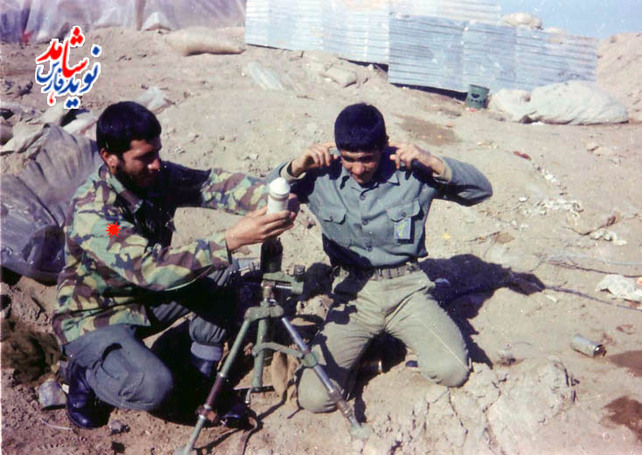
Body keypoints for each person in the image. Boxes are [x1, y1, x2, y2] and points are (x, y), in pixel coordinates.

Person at [53, 101, 295, 429]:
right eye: (144, 157)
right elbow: (148, 267)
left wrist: (272, 198)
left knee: (223, 273)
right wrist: (229, 239)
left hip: (145, 297)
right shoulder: (97, 215)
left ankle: (198, 375)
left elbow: (210, 185)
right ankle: (86, 372)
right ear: (110, 158)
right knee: (153, 386)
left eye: (157, 152)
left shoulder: (154, 177)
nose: (156, 164)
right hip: (96, 317)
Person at [267, 102, 492, 413]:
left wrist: (433, 160)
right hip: (353, 297)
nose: (358, 169)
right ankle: (370, 354)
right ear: (337, 151)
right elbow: (258, 193)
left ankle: (387, 343)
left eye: (367, 159)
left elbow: (480, 191)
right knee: (316, 398)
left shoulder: (412, 172)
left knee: (453, 370)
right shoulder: (320, 176)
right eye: (349, 159)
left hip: (406, 292)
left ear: (385, 146)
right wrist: (294, 167)